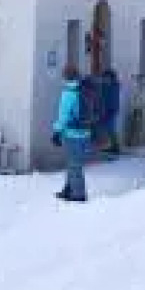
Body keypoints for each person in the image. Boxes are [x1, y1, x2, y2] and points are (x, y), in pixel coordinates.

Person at [52, 66, 91, 202]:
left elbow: (63, 116)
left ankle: (79, 194)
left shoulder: (68, 92)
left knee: (74, 164)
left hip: (73, 133)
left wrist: (56, 131)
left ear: (65, 76)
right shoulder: (84, 89)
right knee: (73, 162)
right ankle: (69, 188)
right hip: (85, 132)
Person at [98, 67, 122, 154]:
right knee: (109, 128)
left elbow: (112, 100)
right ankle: (112, 145)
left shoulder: (113, 87)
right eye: (103, 78)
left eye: (106, 78)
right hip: (107, 110)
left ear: (111, 78)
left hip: (110, 110)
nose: (104, 79)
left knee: (110, 128)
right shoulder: (106, 86)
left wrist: (110, 110)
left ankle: (115, 146)